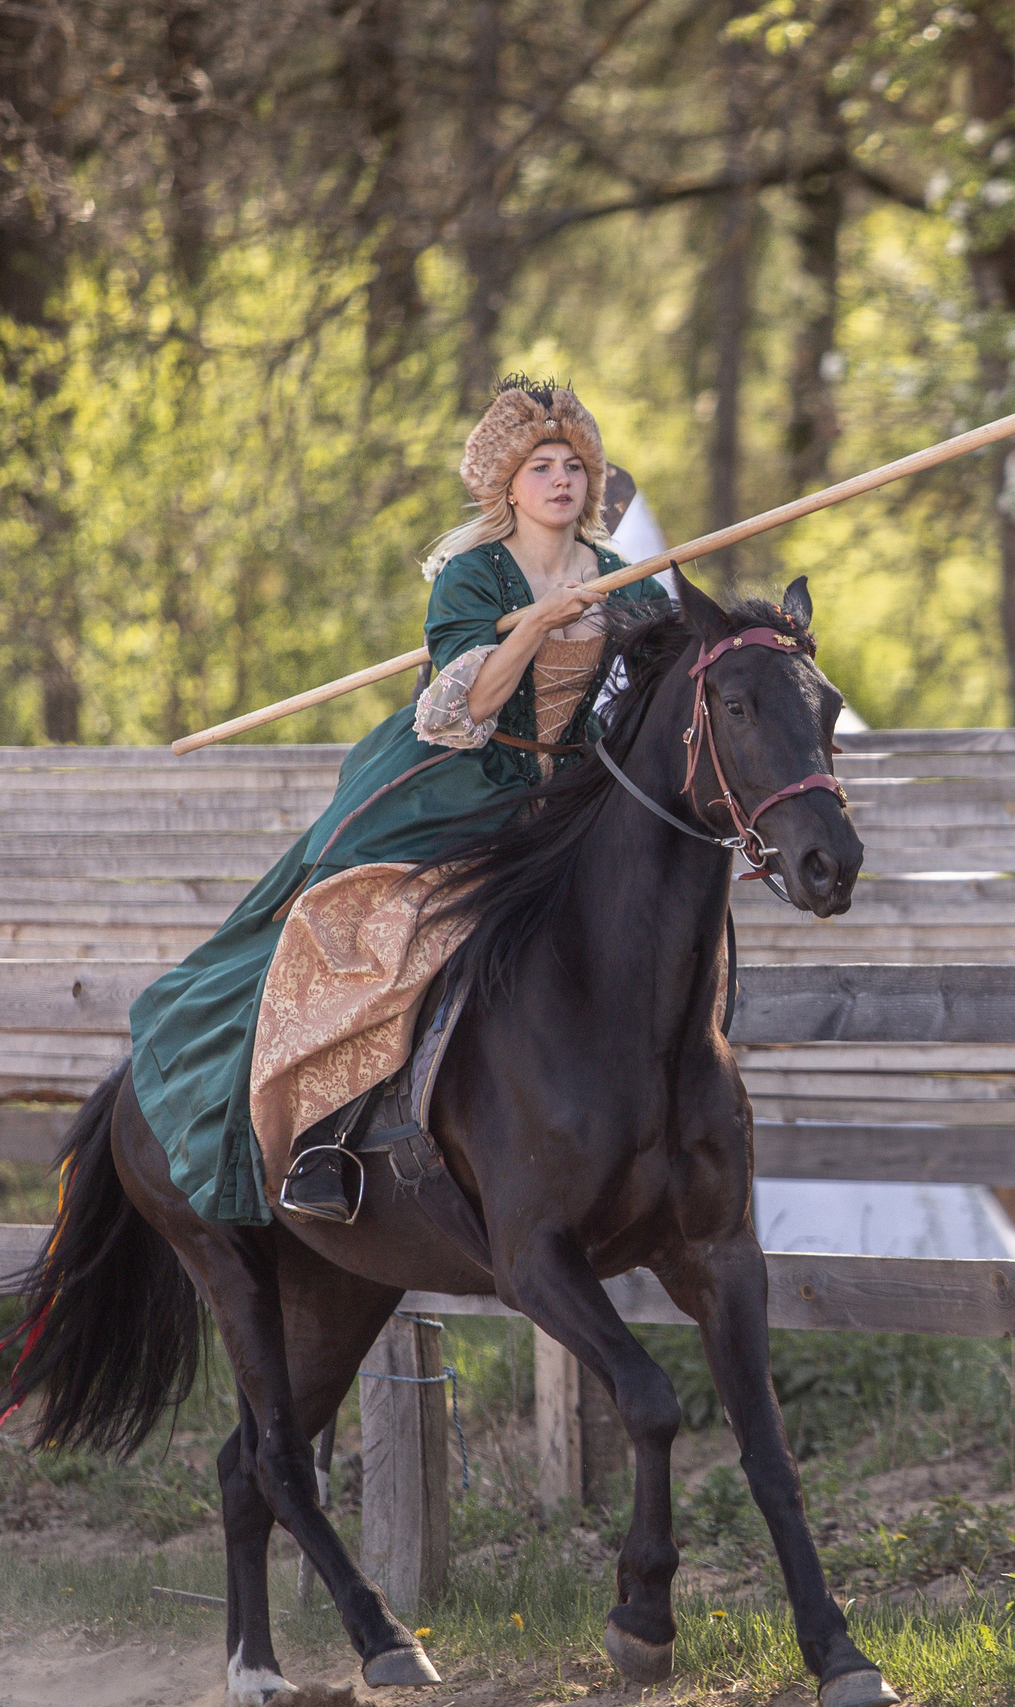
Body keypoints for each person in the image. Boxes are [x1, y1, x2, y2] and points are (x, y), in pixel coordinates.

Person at [129, 379, 674, 1226]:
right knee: (373, 928)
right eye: (541, 465)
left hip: (568, 793)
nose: (561, 480)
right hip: (461, 779)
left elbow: (658, 699)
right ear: (508, 484)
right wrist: (533, 623)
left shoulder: (621, 577)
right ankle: (324, 1137)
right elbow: (468, 707)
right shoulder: (471, 577)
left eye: (574, 465)